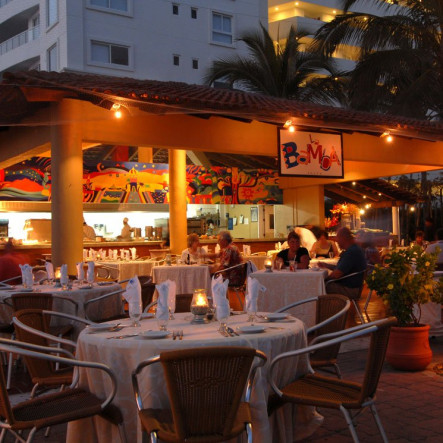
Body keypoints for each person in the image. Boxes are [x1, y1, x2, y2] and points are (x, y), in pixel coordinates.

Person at [319, 227, 367, 300]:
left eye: (337, 238)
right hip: (354, 288)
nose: (337, 241)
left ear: (343, 238)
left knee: (319, 286)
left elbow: (337, 274)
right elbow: (342, 268)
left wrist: (323, 279)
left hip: (350, 290)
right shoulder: (355, 249)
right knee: (320, 284)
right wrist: (327, 265)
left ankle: (318, 307)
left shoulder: (351, 252)